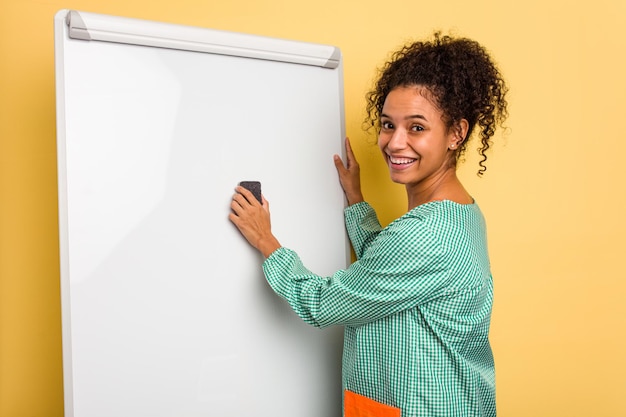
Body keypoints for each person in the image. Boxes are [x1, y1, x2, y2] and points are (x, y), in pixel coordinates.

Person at [229, 31, 508, 417]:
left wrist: (266, 241)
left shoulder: (424, 234)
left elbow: (323, 304)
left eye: (416, 127)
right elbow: (391, 271)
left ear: (456, 134)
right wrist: (356, 201)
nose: (394, 143)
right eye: (388, 125)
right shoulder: (461, 212)